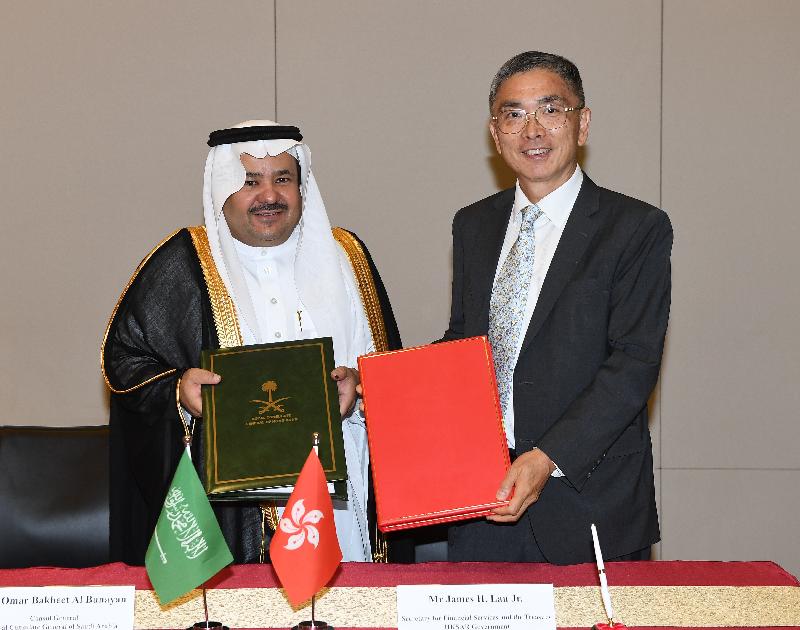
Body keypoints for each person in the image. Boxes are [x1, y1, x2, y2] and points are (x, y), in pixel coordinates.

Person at [102, 120, 401, 565]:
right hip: (233, 517)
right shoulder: (182, 262)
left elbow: (392, 373)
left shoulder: (347, 258)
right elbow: (125, 361)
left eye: (283, 179)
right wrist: (178, 390)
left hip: (342, 503)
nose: (269, 196)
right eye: (249, 182)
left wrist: (360, 389)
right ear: (223, 188)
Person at [444, 52, 672, 564]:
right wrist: (380, 387)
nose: (533, 130)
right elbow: (464, 344)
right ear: (495, 133)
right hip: (484, 499)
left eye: (552, 109)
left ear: (582, 123)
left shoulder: (635, 228)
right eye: (514, 114)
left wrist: (546, 459)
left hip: (590, 501)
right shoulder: (473, 226)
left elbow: (633, 363)